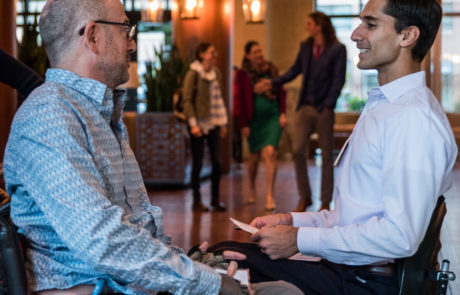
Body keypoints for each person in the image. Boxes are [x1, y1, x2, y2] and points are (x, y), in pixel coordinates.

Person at [210, 0, 457, 294]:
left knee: (215, 264)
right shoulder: (387, 107)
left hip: (367, 283)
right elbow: (351, 217)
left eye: (371, 24)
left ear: (407, 36)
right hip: (349, 271)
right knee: (219, 255)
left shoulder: (413, 119)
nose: (355, 33)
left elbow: (400, 236)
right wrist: (290, 220)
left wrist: (299, 239)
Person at [2, 0, 248, 293]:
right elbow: (102, 239)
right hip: (98, 288)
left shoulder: (95, 112)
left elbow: (132, 228)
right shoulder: (49, 116)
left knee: (280, 285)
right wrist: (207, 283)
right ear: (93, 36)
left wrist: (189, 262)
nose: (132, 45)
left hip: (129, 285)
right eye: (125, 30)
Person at [257, 11, 347, 212]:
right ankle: (304, 197)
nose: (306, 26)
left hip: (324, 109)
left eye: (309, 23)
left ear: (319, 26)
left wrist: (328, 104)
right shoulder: (306, 47)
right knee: (297, 150)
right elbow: (293, 71)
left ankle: (325, 202)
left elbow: (339, 79)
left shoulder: (337, 49)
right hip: (305, 106)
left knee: (326, 154)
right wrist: (272, 82)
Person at [235, 41, 286, 210]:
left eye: (260, 51)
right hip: (253, 120)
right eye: (255, 52)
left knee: (270, 153)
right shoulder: (243, 74)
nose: (259, 54)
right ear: (248, 55)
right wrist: (244, 124)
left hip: (272, 117)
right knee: (254, 158)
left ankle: (270, 194)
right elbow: (241, 100)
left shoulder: (271, 69)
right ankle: (251, 187)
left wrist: (283, 114)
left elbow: (282, 92)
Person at [182, 42, 228, 212]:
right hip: (198, 123)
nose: (214, 55)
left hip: (215, 121)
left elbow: (219, 99)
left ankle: (215, 199)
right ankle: (196, 200)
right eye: (211, 52)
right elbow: (186, 100)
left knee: (217, 162)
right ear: (201, 54)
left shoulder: (216, 73)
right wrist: (193, 124)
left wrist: (223, 122)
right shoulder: (193, 73)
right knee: (198, 162)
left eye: (214, 52)